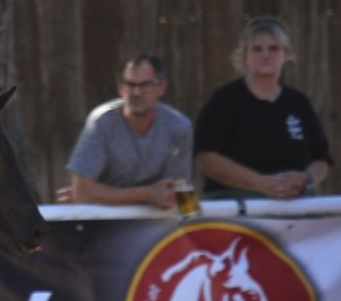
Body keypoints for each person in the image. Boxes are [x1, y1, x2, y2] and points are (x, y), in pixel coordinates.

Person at [195, 16, 332, 199]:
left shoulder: (298, 102)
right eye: (257, 49)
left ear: (285, 54)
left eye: (273, 48)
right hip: (237, 204)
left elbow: (321, 159)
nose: (265, 55)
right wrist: (262, 184)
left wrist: (305, 179)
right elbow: (206, 158)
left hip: (296, 203)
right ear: (245, 55)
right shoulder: (225, 100)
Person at [64, 55, 193, 208]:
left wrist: (192, 220)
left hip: (157, 222)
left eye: (145, 85)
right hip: (102, 220)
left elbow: (179, 192)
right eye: (130, 85)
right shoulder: (102, 122)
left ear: (162, 88)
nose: (137, 92)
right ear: (120, 88)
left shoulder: (179, 127)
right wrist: (146, 193)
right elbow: (82, 191)